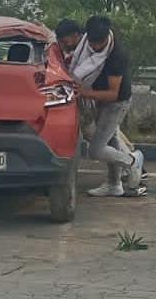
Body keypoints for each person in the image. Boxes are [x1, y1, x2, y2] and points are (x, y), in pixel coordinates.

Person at [55, 18, 147, 190]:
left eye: (101, 42)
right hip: (99, 100)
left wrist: (84, 93)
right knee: (111, 142)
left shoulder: (116, 55)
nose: (96, 46)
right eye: (93, 42)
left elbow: (113, 94)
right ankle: (114, 185)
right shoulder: (83, 46)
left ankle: (133, 161)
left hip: (116, 103)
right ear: (85, 36)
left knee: (96, 150)